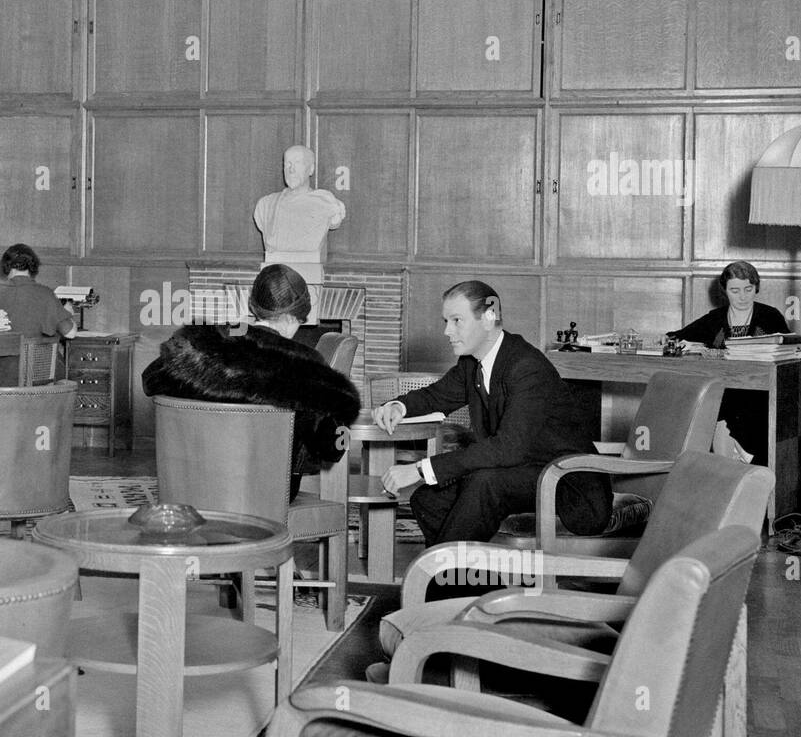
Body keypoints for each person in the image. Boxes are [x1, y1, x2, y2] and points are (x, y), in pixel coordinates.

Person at [373, 280, 612, 546]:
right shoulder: (472, 363)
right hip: (525, 472)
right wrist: (398, 406)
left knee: (484, 483)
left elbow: (508, 447)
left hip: (569, 484)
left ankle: (440, 583)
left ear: (488, 318)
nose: (446, 331)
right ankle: (467, 582)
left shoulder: (526, 366)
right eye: (446, 321)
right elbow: (436, 396)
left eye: (456, 321)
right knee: (428, 499)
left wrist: (420, 469)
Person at [141, 263, 360, 499]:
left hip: (193, 487)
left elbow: (150, 380)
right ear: (294, 315)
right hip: (270, 493)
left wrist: (237, 329)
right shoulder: (308, 362)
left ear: (253, 305)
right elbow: (331, 449)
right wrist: (345, 431)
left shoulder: (202, 342)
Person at [667, 260, 791, 464]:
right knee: (712, 402)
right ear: (725, 291)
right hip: (724, 389)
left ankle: (743, 462)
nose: (742, 296)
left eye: (748, 289)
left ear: (756, 288)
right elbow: (676, 337)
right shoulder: (715, 319)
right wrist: (694, 347)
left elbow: (789, 348)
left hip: (760, 393)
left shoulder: (770, 316)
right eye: (735, 290)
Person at [253, 145, 346, 285]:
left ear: (311, 169)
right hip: (275, 274)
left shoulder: (325, 203)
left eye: (297, 163)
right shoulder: (266, 205)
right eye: (287, 164)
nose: (291, 170)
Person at [0, 243, 77, 340]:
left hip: (3, 354)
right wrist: (67, 313)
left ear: (6, 266)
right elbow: (71, 333)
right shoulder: (45, 294)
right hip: (36, 355)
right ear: (32, 266)